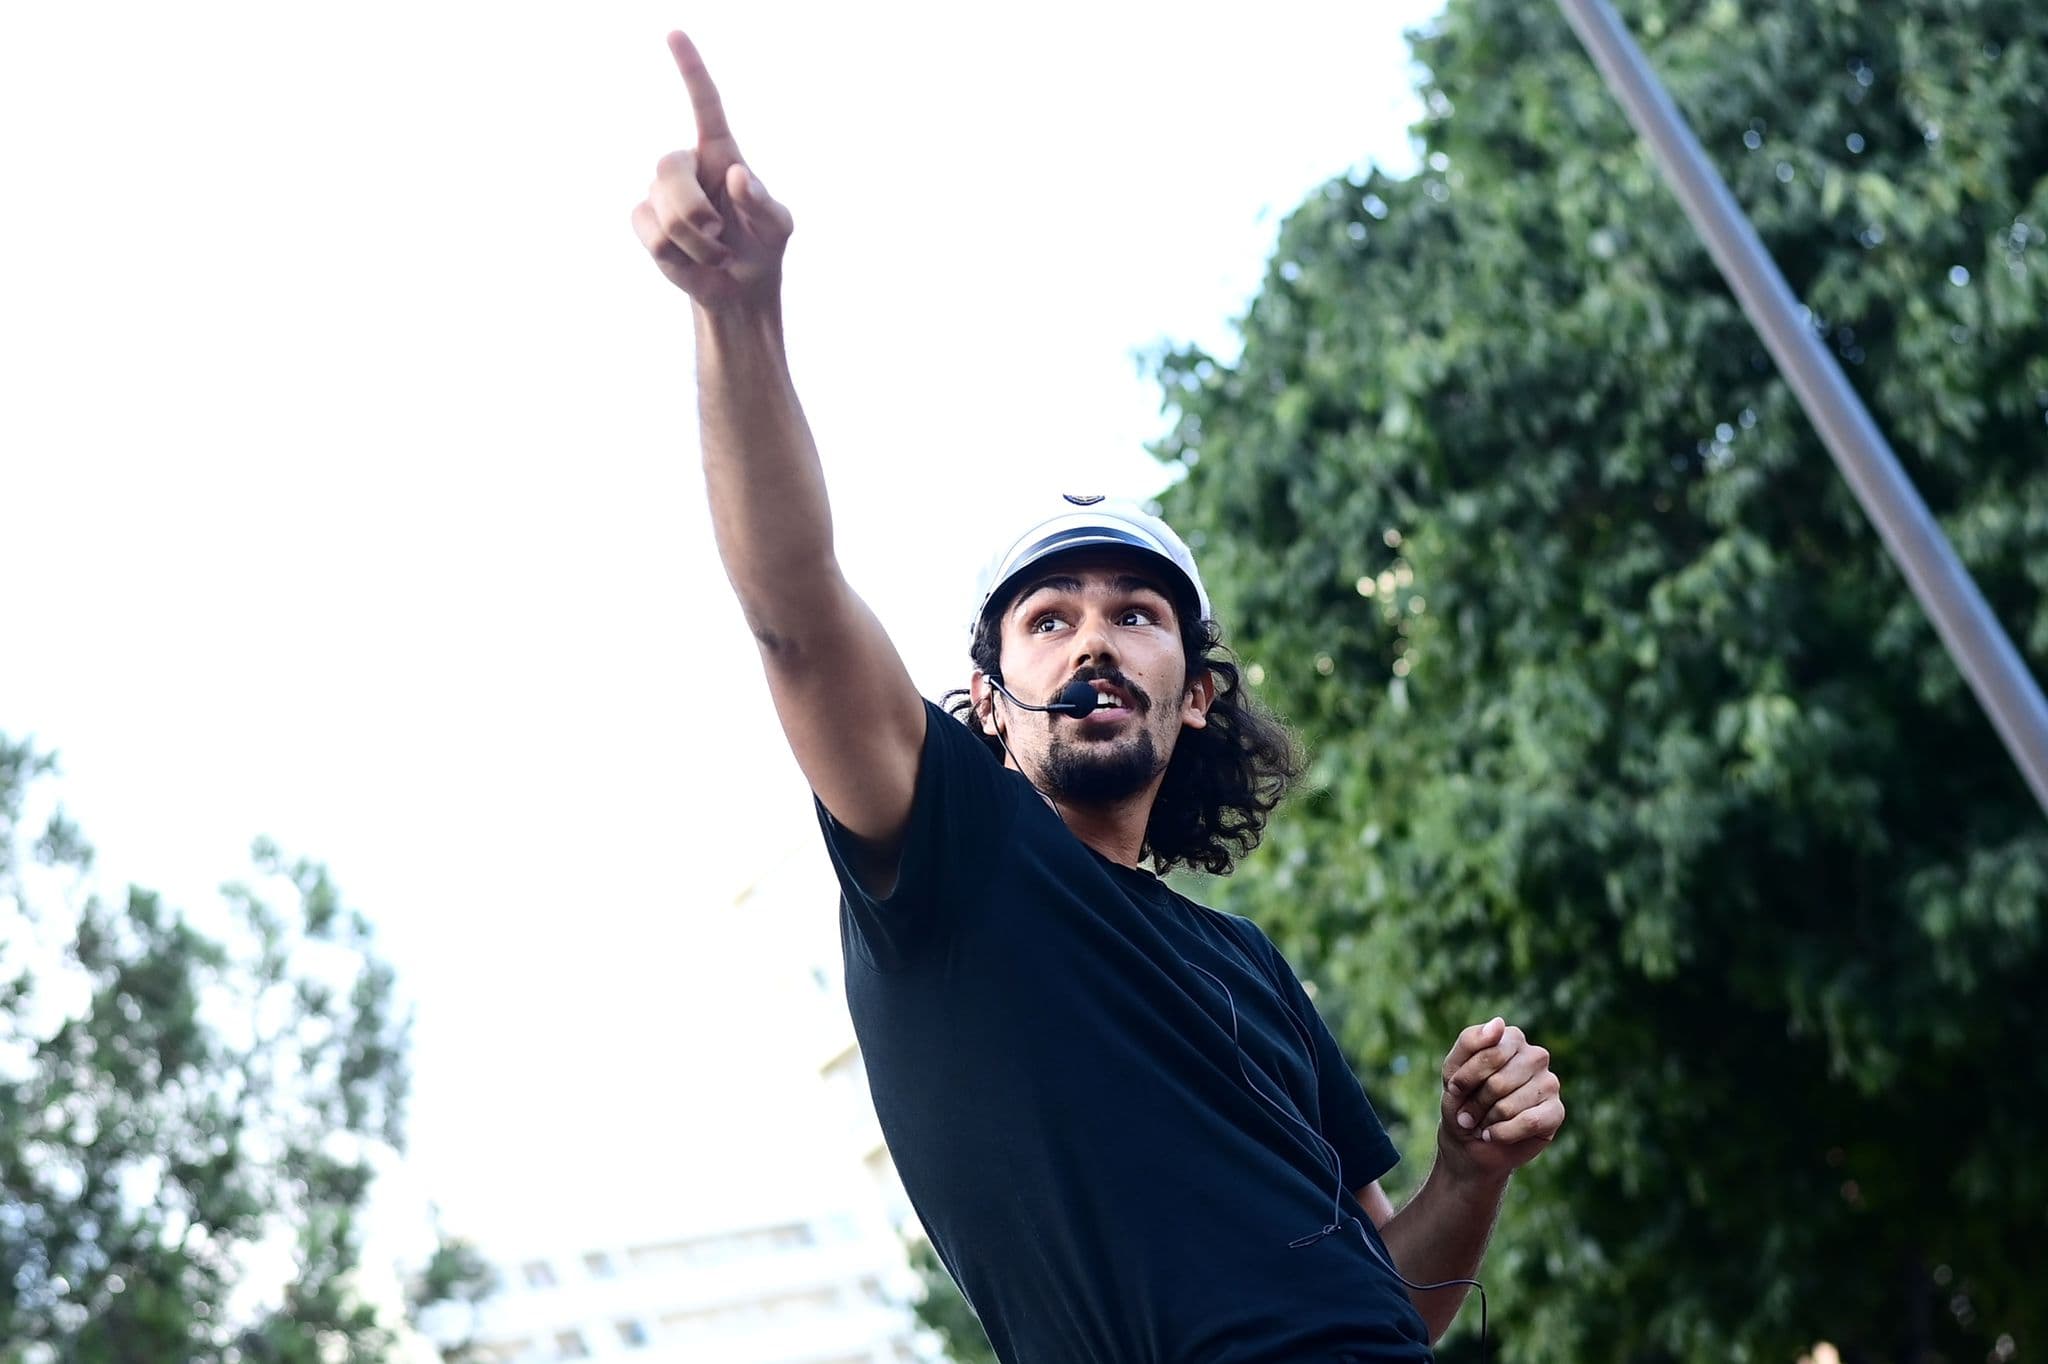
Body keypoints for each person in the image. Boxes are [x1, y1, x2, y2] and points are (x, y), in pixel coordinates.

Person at [630, 31, 1566, 1363]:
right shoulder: (954, 857)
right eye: (1049, 619)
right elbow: (795, 611)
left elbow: (1388, 1302)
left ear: (1196, 698)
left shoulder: (1250, 967)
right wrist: (736, 314)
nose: (1095, 643)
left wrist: (1468, 1173)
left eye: (1137, 616)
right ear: (988, 705)